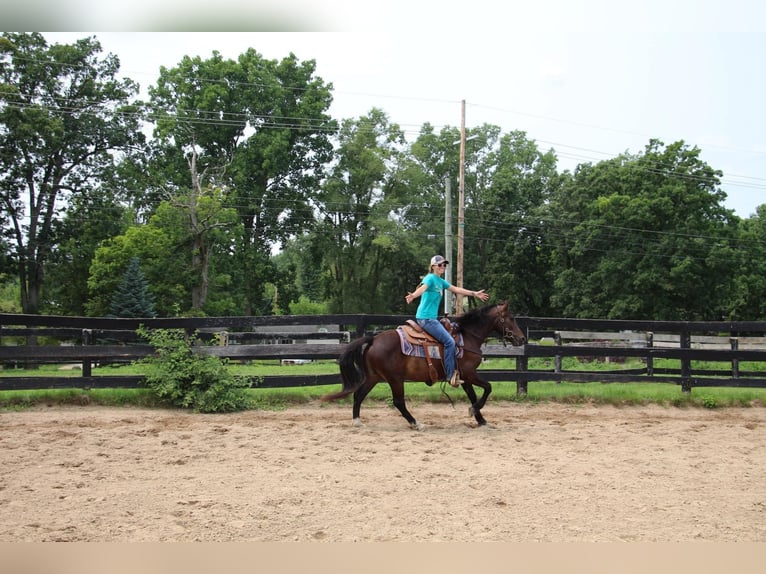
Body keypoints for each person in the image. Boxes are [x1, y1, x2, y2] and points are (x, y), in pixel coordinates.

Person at [404, 255, 490, 387]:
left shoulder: (441, 281)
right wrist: (414, 296)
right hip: (425, 319)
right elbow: (423, 288)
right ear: (433, 266)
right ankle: (450, 375)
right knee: (449, 342)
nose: (442, 267)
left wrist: (474, 293)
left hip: (432, 319)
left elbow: (457, 289)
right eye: (440, 265)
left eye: (444, 265)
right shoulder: (430, 278)